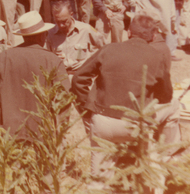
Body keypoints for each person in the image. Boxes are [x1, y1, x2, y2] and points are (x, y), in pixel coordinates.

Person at [71, 13, 180, 184]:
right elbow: (166, 95)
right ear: (153, 35)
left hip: (102, 120)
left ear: (129, 32)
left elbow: (78, 79)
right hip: (136, 124)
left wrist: (87, 108)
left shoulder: (108, 49)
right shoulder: (157, 56)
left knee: (99, 181)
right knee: (174, 106)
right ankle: (167, 156)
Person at [0, 11, 69, 140]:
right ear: (42, 35)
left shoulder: (5, 56)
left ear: (23, 36)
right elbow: (64, 97)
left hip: (9, 131)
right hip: (42, 132)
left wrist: (1, 105)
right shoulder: (52, 60)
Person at [46, 1, 105, 73]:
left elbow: (105, 47)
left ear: (71, 15)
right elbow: (45, 57)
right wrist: (53, 58)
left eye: (64, 21)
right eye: (57, 21)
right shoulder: (50, 33)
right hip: (60, 75)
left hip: (82, 75)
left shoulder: (85, 29)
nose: (61, 25)